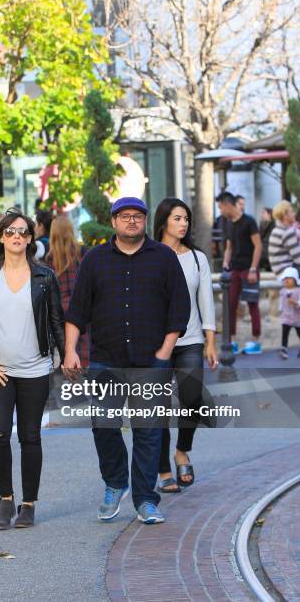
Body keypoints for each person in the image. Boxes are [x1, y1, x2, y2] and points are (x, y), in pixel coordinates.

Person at [64, 197, 191, 525]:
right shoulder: (94, 260)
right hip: (106, 360)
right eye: (125, 216)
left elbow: (179, 308)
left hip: (151, 360)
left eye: (137, 216)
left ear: (145, 221)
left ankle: (146, 500)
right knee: (103, 425)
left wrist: (164, 352)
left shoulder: (163, 258)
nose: (132, 221)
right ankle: (115, 482)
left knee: (148, 431)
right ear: (114, 221)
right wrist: (70, 350)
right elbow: (77, 310)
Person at [0, 209, 65, 530]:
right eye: (10, 232)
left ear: (31, 238)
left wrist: (66, 355)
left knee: (30, 436)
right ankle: (5, 499)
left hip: (35, 369)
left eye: (22, 232)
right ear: (2, 237)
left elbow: (55, 321)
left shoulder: (45, 277)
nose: (17, 237)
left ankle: (29, 504)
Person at [153, 198, 218, 493]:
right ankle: (163, 467)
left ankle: (182, 450)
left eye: (186, 219)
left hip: (191, 340)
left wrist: (211, 342)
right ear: (163, 221)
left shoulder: (197, 258)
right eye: (177, 218)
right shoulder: (148, 255)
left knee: (191, 398)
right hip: (156, 344)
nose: (183, 224)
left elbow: (206, 301)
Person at [216, 191, 262, 355]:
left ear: (228, 204)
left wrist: (253, 269)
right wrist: (225, 263)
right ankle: (232, 341)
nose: (220, 210)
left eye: (220, 207)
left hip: (249, 269)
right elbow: (229, 247)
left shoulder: (249, 221)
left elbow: (258, 245)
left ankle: (256, 342)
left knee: (252, 304)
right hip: (234, 269)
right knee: (230, 304)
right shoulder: (227, 223)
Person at [46, 215, 89, 367]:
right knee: (84, 347)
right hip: (81, 306)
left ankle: (72, 382)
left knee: (66, 351)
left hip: (60, 311)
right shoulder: (82, 252)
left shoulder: (50, 258)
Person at [268, 201, 300, 278]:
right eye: (291, 212)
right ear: (285, 215)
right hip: (287, 272)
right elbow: (298, 258)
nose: (294, 214)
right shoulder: (287, 232)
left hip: (279, 270)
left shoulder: (276, 230)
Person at [278, 267, 300, 360]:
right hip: (286, 317)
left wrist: (296, 303)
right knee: (285, 333)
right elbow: (281, 302)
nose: (286, 280)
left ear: (295, 280)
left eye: (289, 278)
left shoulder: (298, 291)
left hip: (297, 318)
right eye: (285, 279)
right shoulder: (283, 291)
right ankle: (284, 349)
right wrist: (281, 309)